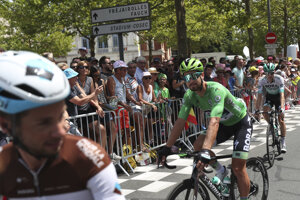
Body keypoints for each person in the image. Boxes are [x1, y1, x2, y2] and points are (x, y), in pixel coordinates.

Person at [0, 51, 125, 199]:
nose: (60, 130)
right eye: (43, 123)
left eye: (60, 116)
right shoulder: (3, 165)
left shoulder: (90, 159)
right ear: (6, 125)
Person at [159, 58, 252, 199]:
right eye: (186, 77)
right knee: (197, 146)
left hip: (240, 123)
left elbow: (214, 121)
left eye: (194, 75)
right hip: (223, 124)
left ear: (202, 75)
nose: (191, 80)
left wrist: (206, 151)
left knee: (238, 168)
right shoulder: (189, 95)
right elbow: (180, 121)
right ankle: (221, 171)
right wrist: (167, 146)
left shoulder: (216, 90)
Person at [255, 63, 287, 153]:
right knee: (264, 111)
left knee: (281, 120)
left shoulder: (279, 79)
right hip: (269, 97)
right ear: (264, 73)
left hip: (278, 98)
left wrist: (282, 108)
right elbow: (260, 96)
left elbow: (282, 95)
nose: (270, 75)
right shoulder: (262, 81)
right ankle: (271, 126)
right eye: (267, 73)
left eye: (272, 73)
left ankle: (283, 141)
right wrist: (257, 109)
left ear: (274, 72)